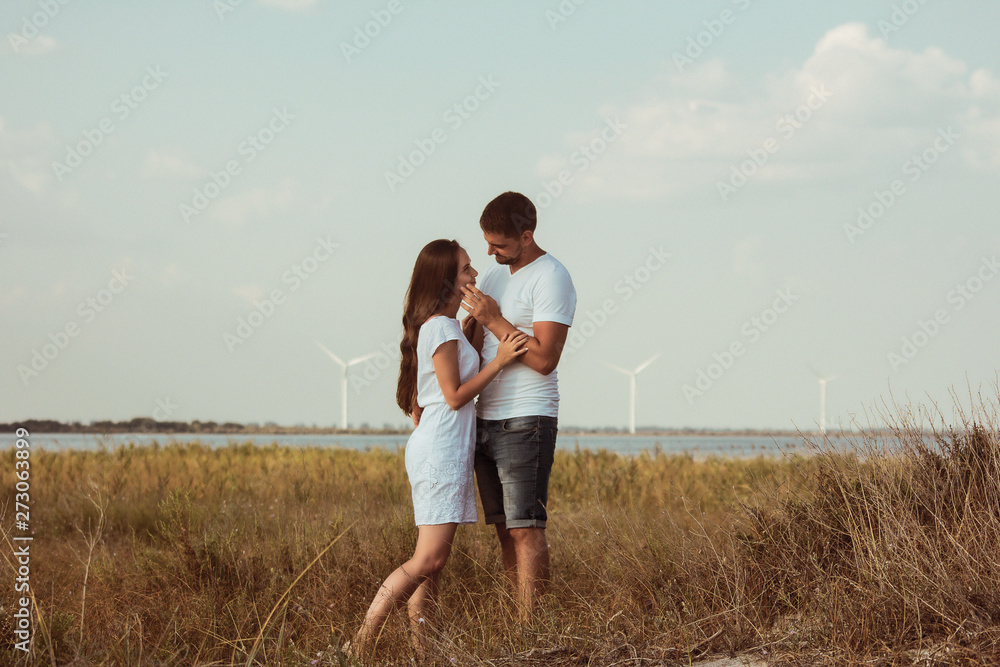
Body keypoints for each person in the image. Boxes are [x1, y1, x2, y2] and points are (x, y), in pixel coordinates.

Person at [350, 239, 528, 660]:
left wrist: (475, 327)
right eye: (467, 269)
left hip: (443, 449)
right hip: (440, 453)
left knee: (434, 564)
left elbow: (428, 393)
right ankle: (358, 645)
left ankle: (422, 652)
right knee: (427, 561)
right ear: (447, 280)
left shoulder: (442, 327)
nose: (474, 275)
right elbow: (453, 396)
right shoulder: (441, 328)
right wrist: (499, 361)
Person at [459, 192, 577, 618]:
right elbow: (477, 346)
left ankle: (533, 636)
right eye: (487, 243)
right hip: (484, 419)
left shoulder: (552, 277)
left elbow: (545, 359)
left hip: (527, 418)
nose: (490, 252)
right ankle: (517, 625)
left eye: (500, 245)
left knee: (527, 529)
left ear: (526, 237)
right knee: (505, 531)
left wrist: (493, 319)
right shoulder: (492, 276)